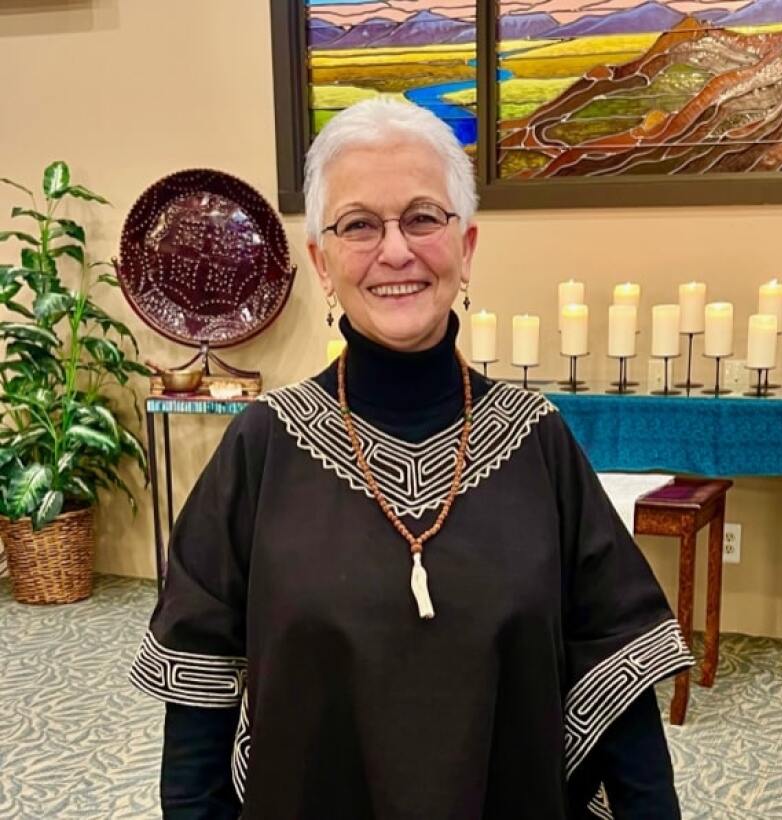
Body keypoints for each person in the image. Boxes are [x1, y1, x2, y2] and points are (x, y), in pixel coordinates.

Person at [130, 97, 693, 819]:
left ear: (467, 247)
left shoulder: (535, 440)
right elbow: (198, 703)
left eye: (423, 217)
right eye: (359, 224)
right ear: (321, 262)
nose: (395, 251)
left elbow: (618, 673)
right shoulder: (262, 447)